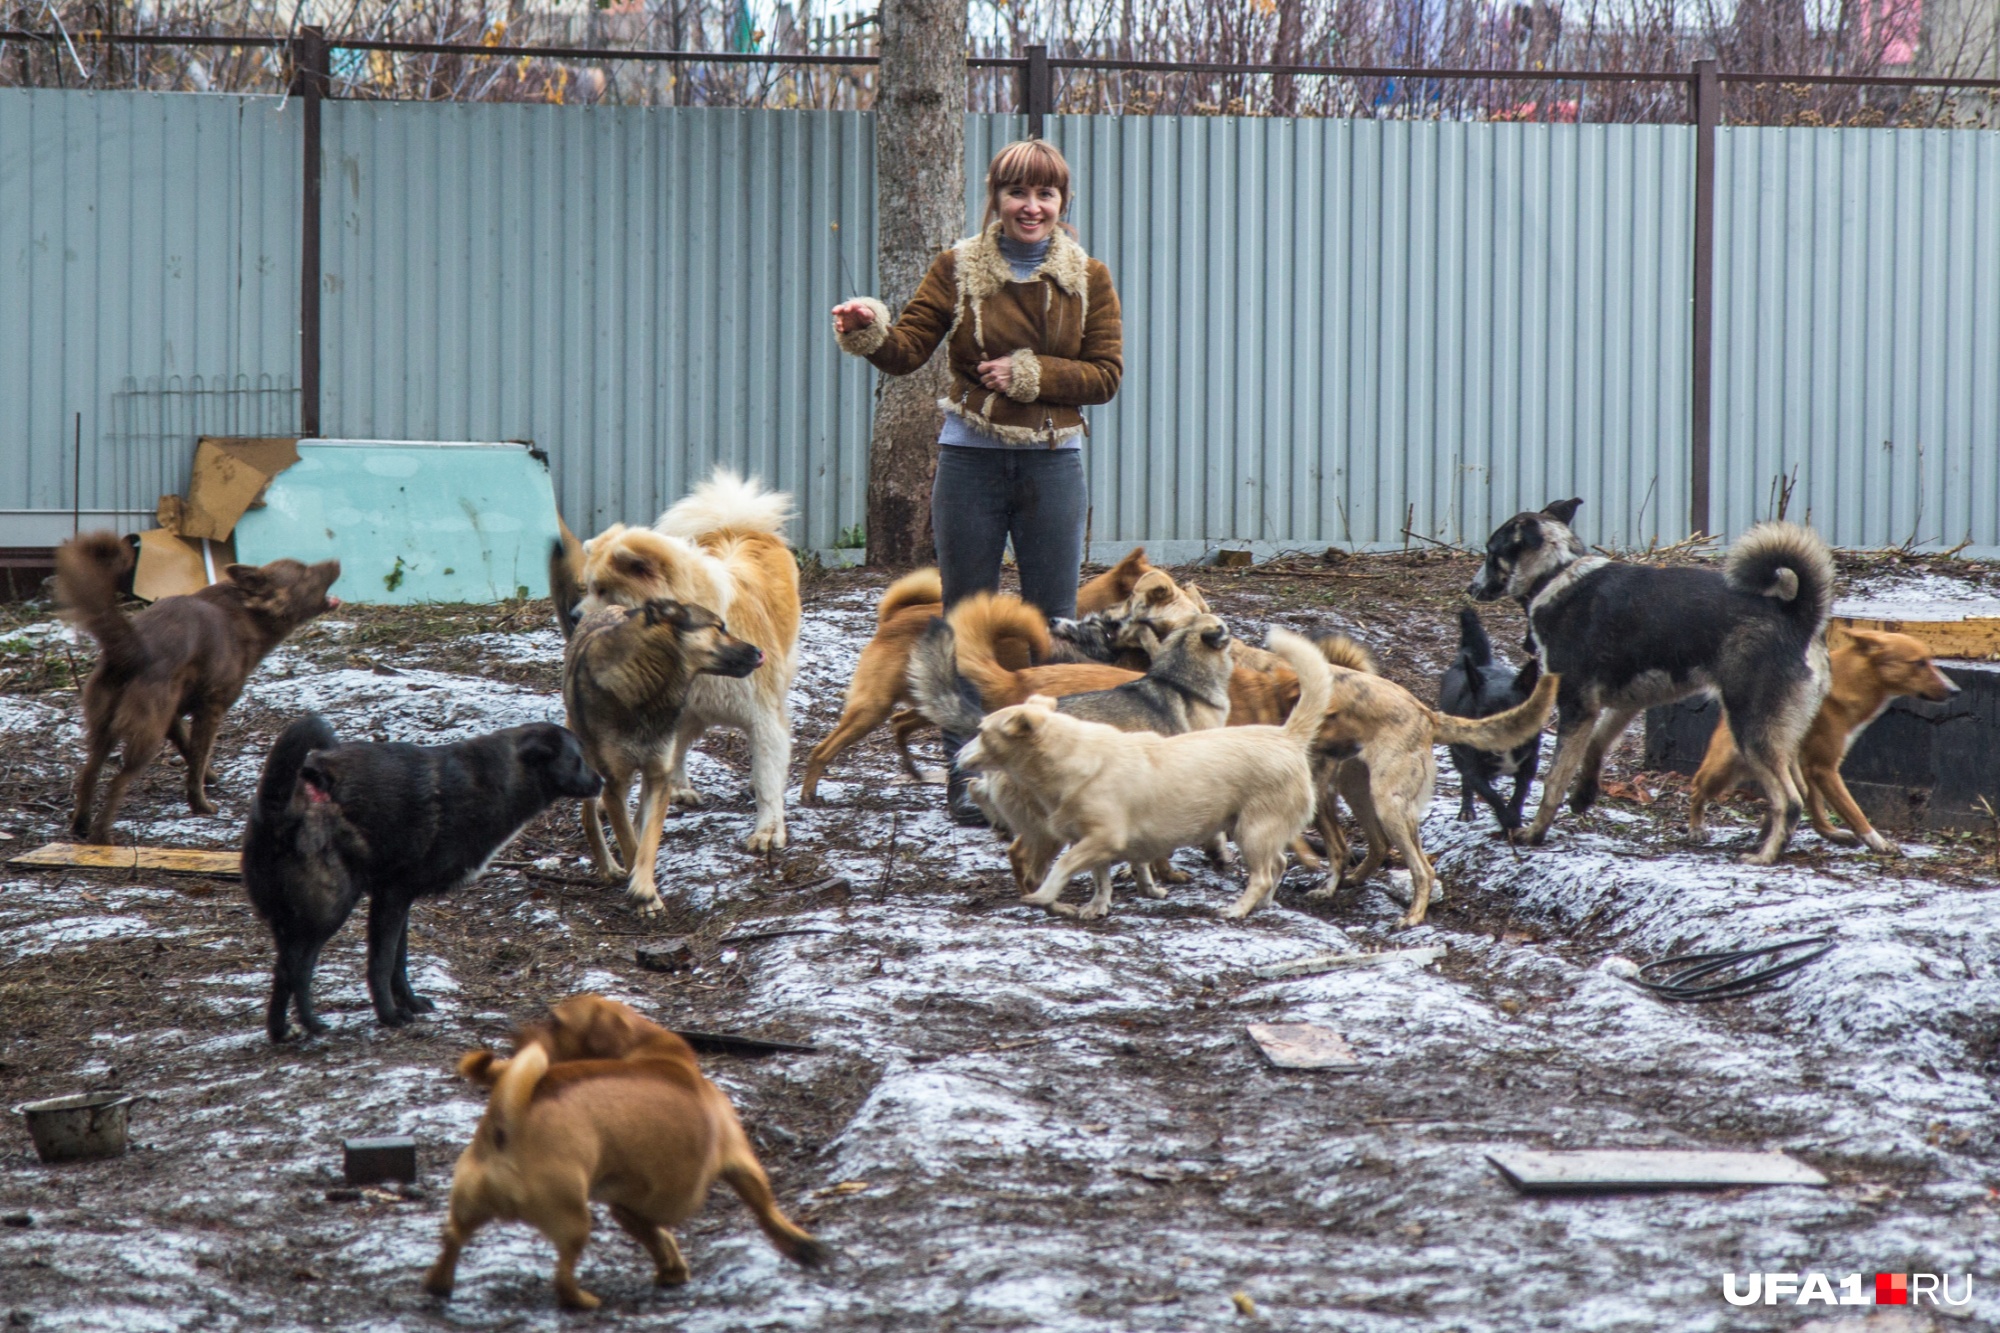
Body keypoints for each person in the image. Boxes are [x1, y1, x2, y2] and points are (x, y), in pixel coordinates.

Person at [831, 138, 1124, 823]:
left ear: (1062, 203)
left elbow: (1106, 375)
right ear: (994, 197)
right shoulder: (958, 268)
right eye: (1017, 192)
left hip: (1054, 463)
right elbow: (906, 351)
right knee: (967, 621)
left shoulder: (1089, 277)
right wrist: (870, 328)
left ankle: (1047, 772)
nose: (1031, 206)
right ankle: (967, 776)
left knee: (1052, 625)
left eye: (1045, 194)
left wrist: (1032, 374)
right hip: (970, 461)